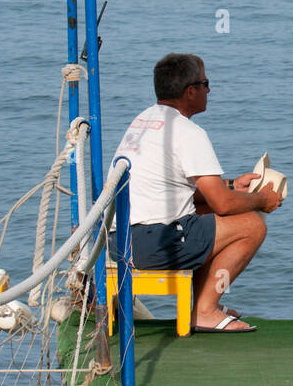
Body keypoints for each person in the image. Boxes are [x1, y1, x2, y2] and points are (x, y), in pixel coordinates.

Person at [114, 53, 282, 333]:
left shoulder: (143, 122)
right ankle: (204, 311)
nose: (209, 90)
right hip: (153, 243)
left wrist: (231, 186)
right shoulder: (187, 131)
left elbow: (174, 188)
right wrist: (262, 200)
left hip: (120, 240)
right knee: (252, 225)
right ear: (190, 92)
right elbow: (224, 205)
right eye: (205, 83)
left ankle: (203, 305)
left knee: (204, 216)